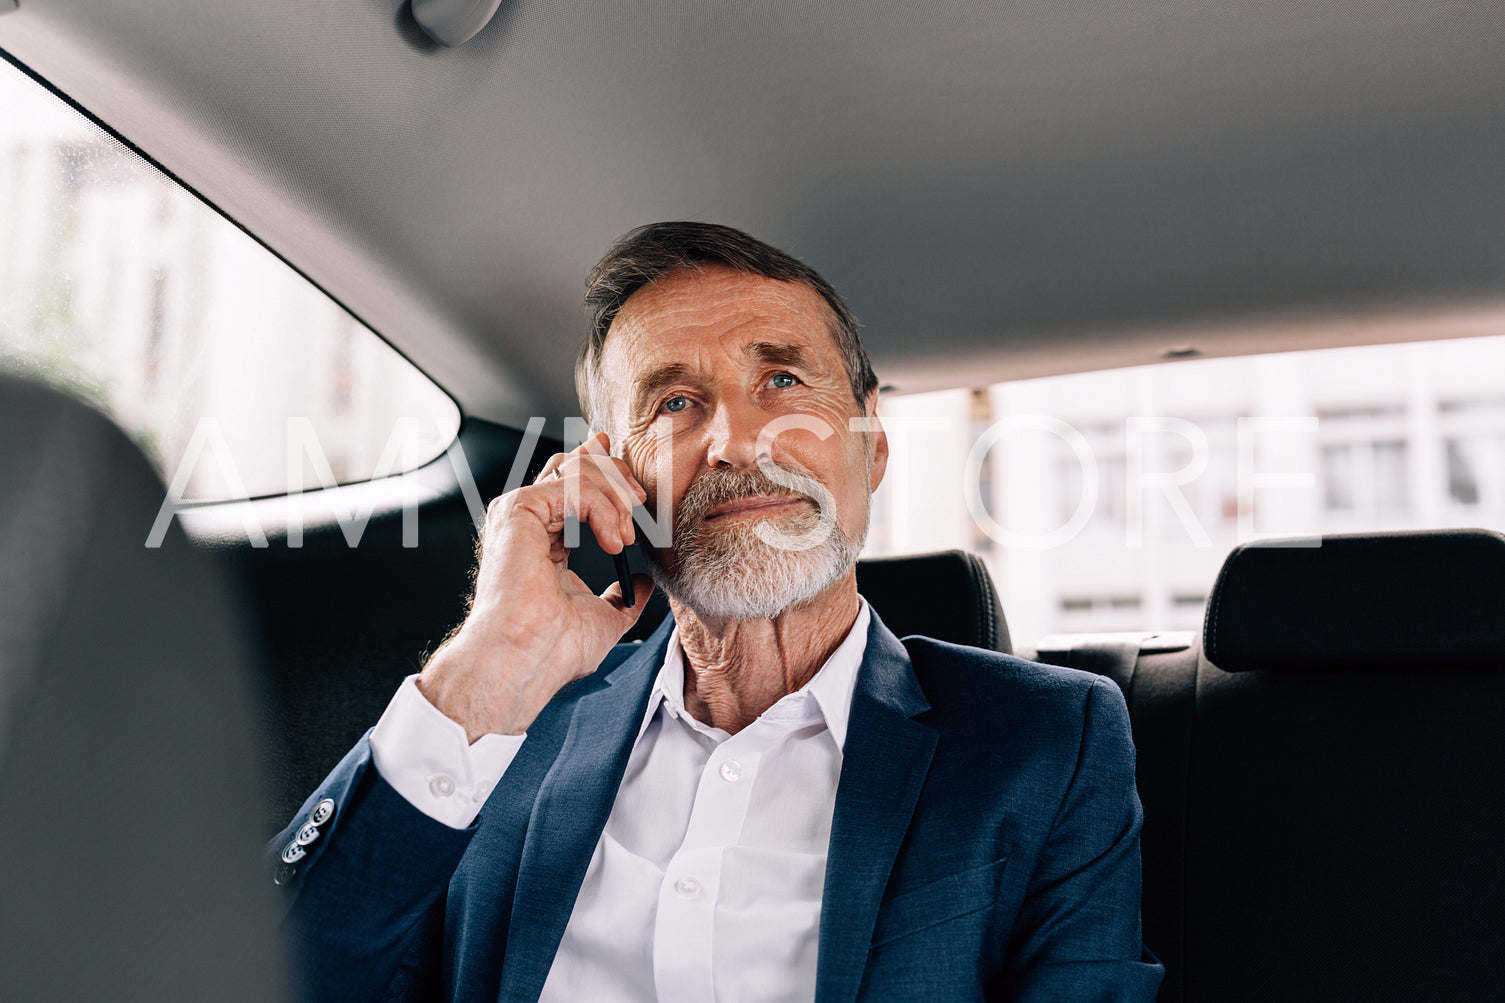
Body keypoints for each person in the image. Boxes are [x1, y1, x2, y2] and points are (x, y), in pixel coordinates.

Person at [270, 221, 1163, 1001]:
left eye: (780, 381)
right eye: (675, 402)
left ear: (873, 442)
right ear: (615, 473)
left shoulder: (1046, 737)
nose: (736, 439)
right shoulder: (505, 732)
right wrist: (486, 670)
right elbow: (256, 973)